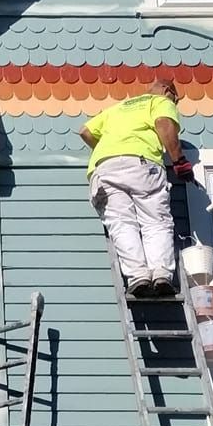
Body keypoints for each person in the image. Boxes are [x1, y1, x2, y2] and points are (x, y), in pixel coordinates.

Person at [80, 77, 193, 298]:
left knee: (121, 223)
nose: (174, 104)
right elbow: (164, 124)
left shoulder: (117, 109)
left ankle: (138, 276)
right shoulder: (158, 102)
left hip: (104, 169)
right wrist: (178, 160)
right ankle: (160, 273)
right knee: (155, 221)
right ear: (168, 91)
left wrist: (111, 152)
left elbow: (85, 131)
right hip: (141, 164)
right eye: (175, 100)